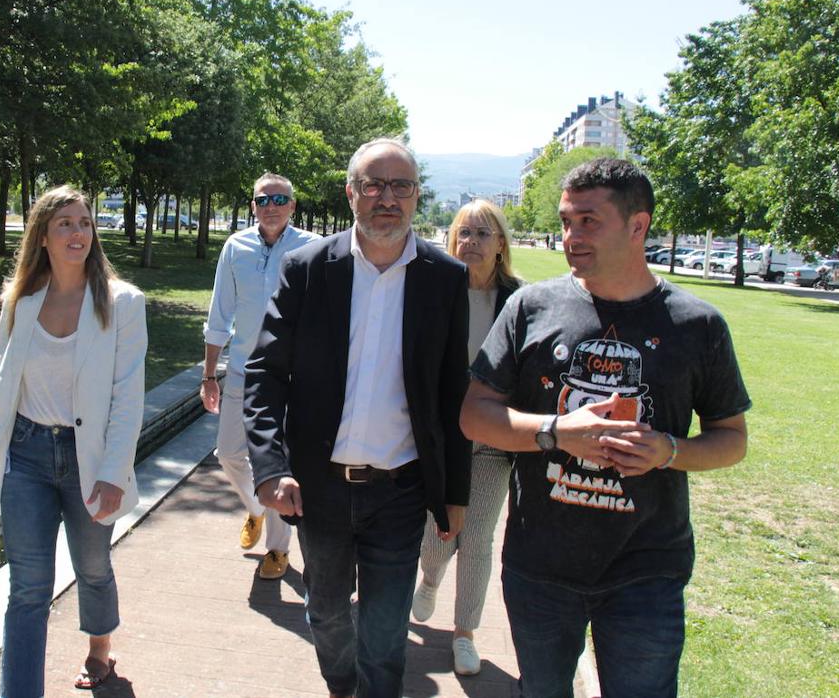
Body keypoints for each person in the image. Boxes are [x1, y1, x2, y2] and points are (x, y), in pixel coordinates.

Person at [460, 158, 750, 698]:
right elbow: (476, 413)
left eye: (589, 221)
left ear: (638, 226)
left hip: (648, 569)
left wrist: (667, 450)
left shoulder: (697, 324)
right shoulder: (531, 307)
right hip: (539, 565)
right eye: (567, 221)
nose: (571, 236)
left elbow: (731, 438)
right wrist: (554, 431)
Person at [246, 138, 472, 698]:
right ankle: (341, 686)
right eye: (373, 184)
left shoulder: (445, 278)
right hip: (319, 489)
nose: (386, 198)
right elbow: (265, 373)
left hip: (401, 489)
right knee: (324, 614)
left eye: (400, 186)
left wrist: (455, 495)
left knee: (385, 630)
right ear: (351, 193)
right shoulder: (307, 269)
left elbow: (451, 394)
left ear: (418, 196)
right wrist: (271, 468)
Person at [0, 186, 147, 697]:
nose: (77, 232)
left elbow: (128, 397)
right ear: (42, 236)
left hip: (87, 459)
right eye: (64, 223)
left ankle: (100, 648)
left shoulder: (122, 302)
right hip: (26, 455)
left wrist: (113, 472)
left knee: (92, 567)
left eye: (84, 223)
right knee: (28, 589)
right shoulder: (20, 299)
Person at [411, 199, 522, 676]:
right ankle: (431, 577)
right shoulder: (436, 289)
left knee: (477, 537)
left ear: (500, 245)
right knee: (439, 532)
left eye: (482, 234)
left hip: (494, 439)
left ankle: (464, 633)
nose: (471, 242)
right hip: (441, 435)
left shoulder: (520, 299)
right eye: (463, 232)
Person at [201, 172, 319, 579]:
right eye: (262, 200)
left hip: (291, 376)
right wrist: (208, 375)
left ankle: (278, 551)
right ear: (253, 206)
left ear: (292, 206)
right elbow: (220, 314)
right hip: (242, 370)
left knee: (280, 464)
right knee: (229, 453)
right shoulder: (237, 246)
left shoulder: (312, 249)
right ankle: (256, 508)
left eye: (279, 199)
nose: (270, 206)